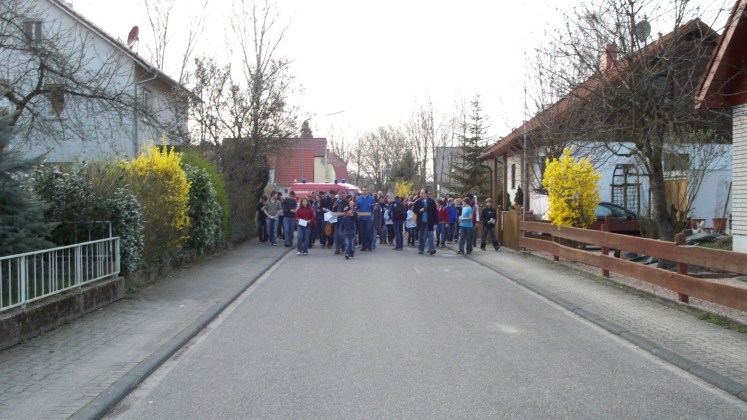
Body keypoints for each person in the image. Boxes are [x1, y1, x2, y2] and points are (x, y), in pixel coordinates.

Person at [412, 188, 438, 255]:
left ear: (426, 194)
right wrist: (419, 210)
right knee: (421, 236)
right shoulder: (418, 201)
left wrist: (436, 221)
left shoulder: (431, 201)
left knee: (430, 235)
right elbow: (414, 210)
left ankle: (431, 249)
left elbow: (435, 212)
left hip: (429, 222)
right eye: (420, 193)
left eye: (422, 193)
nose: (421, 194)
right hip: (421, 222)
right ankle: (421, 249)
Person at [355, 186, 376, 251]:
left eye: (366, 190)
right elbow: (356, 209)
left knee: (369, 232)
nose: (365, 191)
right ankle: (364, 246)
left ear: (368, 191)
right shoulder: (358, 199)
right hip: (361, 218)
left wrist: (374, 209)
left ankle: (369, 246)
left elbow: (374, 208)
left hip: (369, 218)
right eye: (363, 190)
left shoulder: (371, 199)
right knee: (362, 232)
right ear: (362, 191)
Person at [332, 190, 349, 255]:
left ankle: (343, 248)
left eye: (342, 195)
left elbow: (347, 210)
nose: (341, 196)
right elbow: (333, 211)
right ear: (338, 195)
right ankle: (337, 249)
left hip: (343, 220)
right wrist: (334, 206)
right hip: (336, 220)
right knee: (336, 235)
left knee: (342, 235)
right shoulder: (335, 201)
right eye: (340, 195)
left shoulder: (346, 202)